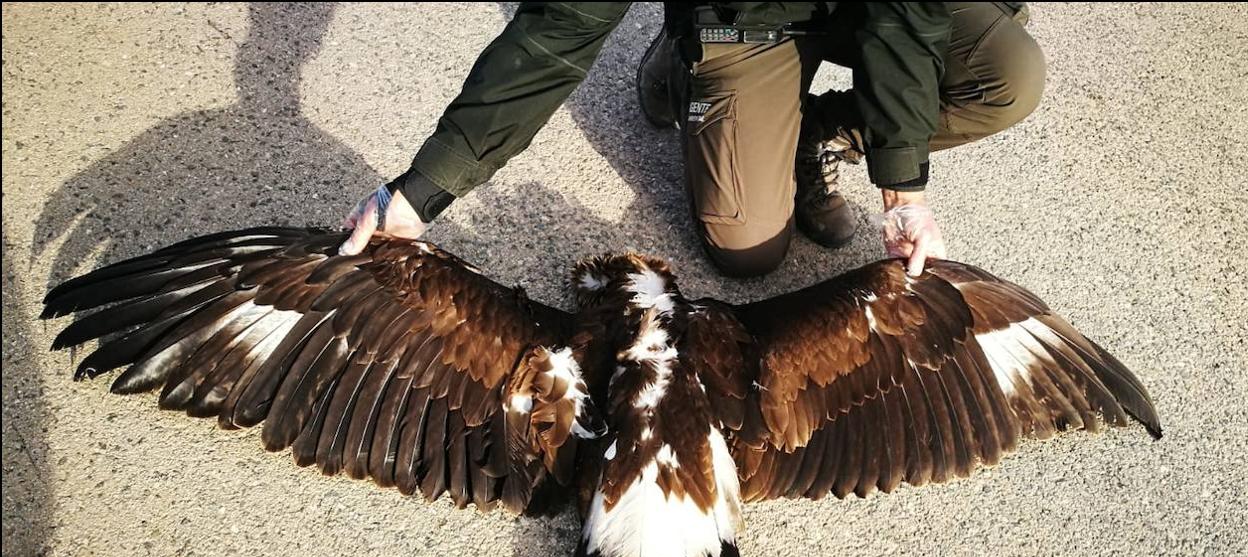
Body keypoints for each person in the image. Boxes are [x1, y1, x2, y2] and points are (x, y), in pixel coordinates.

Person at [341, 2, 1044, 279]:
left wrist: (904, 195)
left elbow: (907, 19)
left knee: (1008, 74)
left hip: (860, 5)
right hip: (741, 23)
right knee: (749, 252)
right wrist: (422, 190)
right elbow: (556, 35)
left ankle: (822, 135)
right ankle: (682, 64)